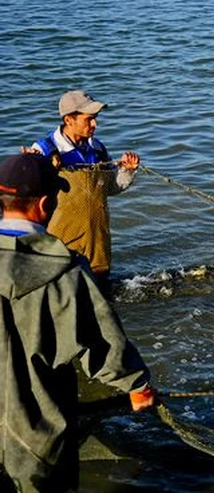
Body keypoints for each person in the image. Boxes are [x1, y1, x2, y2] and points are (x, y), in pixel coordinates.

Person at [0, 154, 155, 492]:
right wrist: (138, 387)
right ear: (45, 204)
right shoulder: (67, 270)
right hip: (40, 431)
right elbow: (101, 343)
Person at [25, 89, 140, 293]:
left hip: (98, 242)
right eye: (89, 119)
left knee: (101, 299)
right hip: (60, 243)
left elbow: (111, 187)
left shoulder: (97, 149)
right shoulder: (43, 150)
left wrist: (127, 171)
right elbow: (26, 199)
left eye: (95, 119)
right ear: (69, 120)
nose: (95, 124)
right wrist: (29, 166)